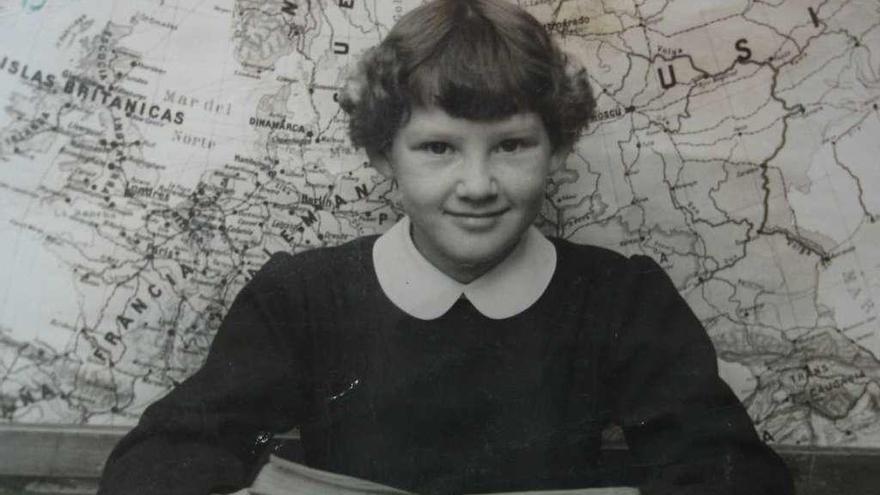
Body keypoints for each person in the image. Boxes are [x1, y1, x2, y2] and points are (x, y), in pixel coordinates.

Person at [98, 0, 794, 494]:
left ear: (556, 148)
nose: (478, 184)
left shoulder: (619, 297)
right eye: (437, 147)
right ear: (382, 154)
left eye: (513, 145)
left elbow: (731, 471)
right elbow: (156, 462)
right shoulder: (302, 297)